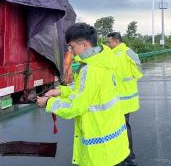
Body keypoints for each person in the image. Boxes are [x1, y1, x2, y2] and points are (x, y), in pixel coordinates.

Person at [37, 23, 130, 166]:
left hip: (99, 148)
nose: (71, 51)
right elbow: (87, 90)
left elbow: (75, 107)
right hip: (113, 141)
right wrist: (61, 91)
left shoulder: (91, 69)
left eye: (72, 47)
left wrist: (48, 103)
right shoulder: (106, 60)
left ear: (85, 45)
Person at [107, 32, 143, 166]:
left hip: (121, 98)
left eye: (109, 42)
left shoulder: (119, 54)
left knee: (121, 128)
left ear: (116, 41)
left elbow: (137, 71)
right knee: (123, 127)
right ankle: (127, 156)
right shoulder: (126, 52)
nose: (108, 45)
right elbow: (138, 71)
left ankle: (127, 157)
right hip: (126, 97)